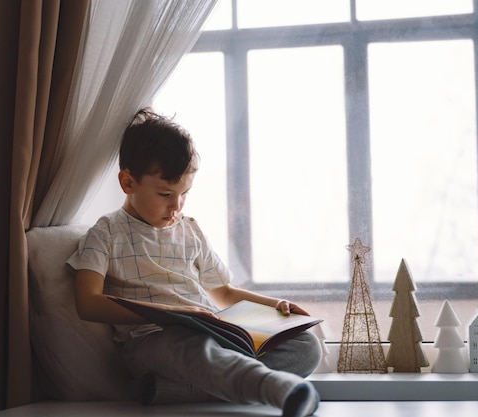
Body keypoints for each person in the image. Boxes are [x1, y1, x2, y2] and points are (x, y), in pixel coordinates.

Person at [66, 108, 322, 417]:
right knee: (191, 348)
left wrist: (274, 304)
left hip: (211, 330)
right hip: (153, 340)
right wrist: (172, 312)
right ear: (127, 183)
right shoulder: (106, 231)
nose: (176, 205)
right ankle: (280, 390)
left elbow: (223, 293)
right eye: (165, 194)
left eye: (184, 193)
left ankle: (169, 393)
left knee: (306, 347)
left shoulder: (190, 228)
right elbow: (87, 302)